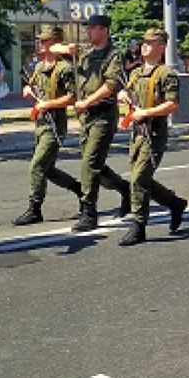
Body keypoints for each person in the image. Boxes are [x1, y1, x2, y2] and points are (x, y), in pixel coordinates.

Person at [58, 14, 133, 232]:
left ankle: (89, 211)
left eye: (92, 29)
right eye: (87, 29)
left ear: (104, 30)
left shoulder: (113, 55)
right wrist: (67, 50)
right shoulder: (85, 53)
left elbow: (110, 86)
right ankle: (123, 189)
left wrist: (87, 101)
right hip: (86, 117)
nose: (88, 32)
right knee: (95, 164)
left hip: (102, 114)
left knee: (89, 162)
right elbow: (52, 50)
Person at [116, 28, 189, 246]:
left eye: (150, 42)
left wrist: (146, 113)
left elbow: (172, 104)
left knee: (138, 179)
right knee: (141, 178)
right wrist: (123, 96)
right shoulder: (136, 73)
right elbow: (127, 93)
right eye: (144, 41)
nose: (144, 45)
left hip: (154, 134)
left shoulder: (166, 73)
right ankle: (174, 203)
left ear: (161, 46)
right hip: (136, 134)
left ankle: (138, 226)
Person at [12, 26, 82, 226]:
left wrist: (48, 104)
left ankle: (35, 208)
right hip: (41, 123)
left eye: (44, 41)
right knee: (47, 169)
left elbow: (73, 97)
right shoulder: (40, 67)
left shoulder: (64, 68)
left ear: (56, 42)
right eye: (40, 41)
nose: (40, 44)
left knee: (37, 165)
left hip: (55, 123)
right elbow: (34, 88)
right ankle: (79, 190)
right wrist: (28, 90)